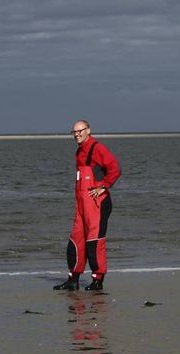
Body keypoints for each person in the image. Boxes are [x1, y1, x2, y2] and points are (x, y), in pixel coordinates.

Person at [54, 120, 121, 291]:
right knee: (76, 241)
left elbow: (114, 168)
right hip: (82, 205)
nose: (76, 134)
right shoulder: (79, 152)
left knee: (94, 242)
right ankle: (73, 280)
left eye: (80, 130)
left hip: (97, 204)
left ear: (88, 130)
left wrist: (103, 186)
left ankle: (97, 281)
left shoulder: (97, 148)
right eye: (74, 132)